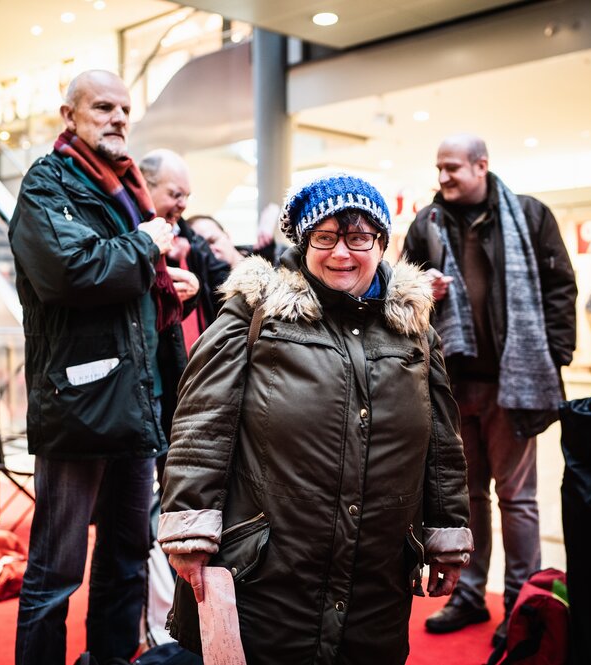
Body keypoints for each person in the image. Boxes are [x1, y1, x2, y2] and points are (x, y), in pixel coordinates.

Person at [158, 173, 473, 665]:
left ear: (381, 242)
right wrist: (191, 528)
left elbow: (441, 441)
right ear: (304, 244)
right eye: (324, 238)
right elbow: (202, 423)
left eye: (358, 237)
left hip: (378, 574)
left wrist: (446, 533)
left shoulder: (413, 326)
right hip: (270, 569)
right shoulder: (254, 312)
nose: (341, 253)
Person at [9, 70, 180, 665]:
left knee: (127, 561)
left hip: (134, 402)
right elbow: (70, 273)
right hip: (78, 402)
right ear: (69, 115)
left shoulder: (124, 190)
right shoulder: (46, 184)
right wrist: (147, 247)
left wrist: (162, 284)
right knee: (55, 575)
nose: (118, 119)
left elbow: (120, 279)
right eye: (103, 106)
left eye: (125, 110)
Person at [403, 134, 577, 645]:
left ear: (482, 165)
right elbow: (398, 293)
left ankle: (522, 603)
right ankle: (469, 595)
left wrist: (555, 355)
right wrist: (418, 289)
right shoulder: (425, 224)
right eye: (438, 168)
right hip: (451, 384)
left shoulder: (529, 215)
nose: (443, 177)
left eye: (453, 167)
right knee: (467, 497)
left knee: (517, 500)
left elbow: (560, 287)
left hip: (515, 384)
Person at [139, 150, 231, 350]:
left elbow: (223, 283)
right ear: (145, 186)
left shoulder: (192, 241)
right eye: (175, 194)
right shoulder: (131, 238)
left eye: (186, 196)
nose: (183, 205)